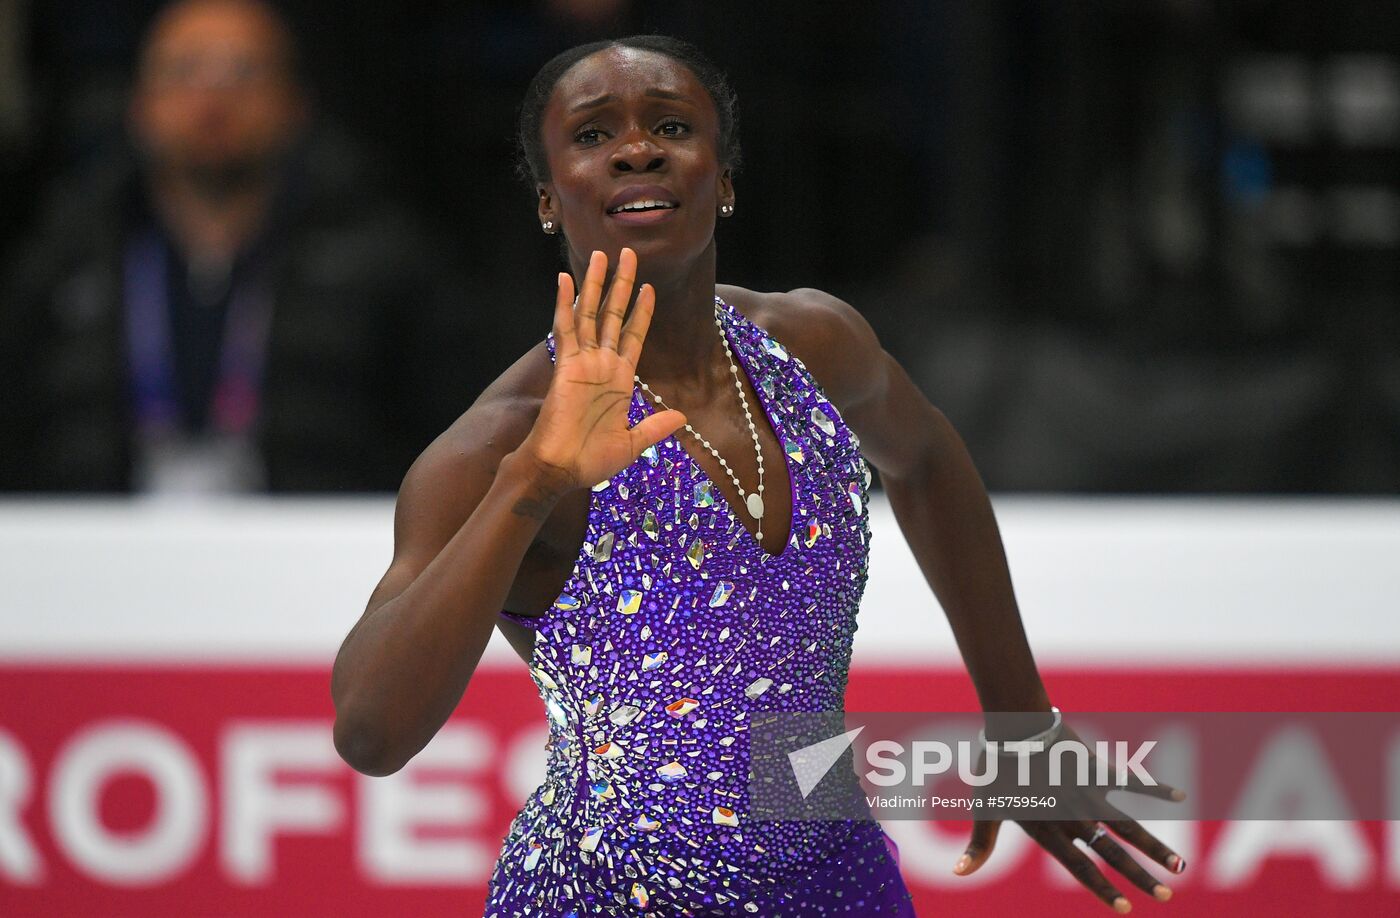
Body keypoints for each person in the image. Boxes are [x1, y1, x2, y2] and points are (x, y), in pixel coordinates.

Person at [331, 35, 1187, 915]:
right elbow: (370, 731)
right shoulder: (496, 445)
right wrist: (532, 483)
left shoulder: (813, 345)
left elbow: (927, 459)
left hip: (834, 875)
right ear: (549, 198)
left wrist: (1020, 718)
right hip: (607, 896)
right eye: (593, 135)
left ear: (725, 178)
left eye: (670, 123)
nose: (636, 148)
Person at [0, 0, 484, 493]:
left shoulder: (379, 264)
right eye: (184, 71)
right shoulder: (62, 262)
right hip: (86, 553)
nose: (213, 99)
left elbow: (451, 443)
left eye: (243, 71)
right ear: (139, 104)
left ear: (296, 103)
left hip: (320, 548)